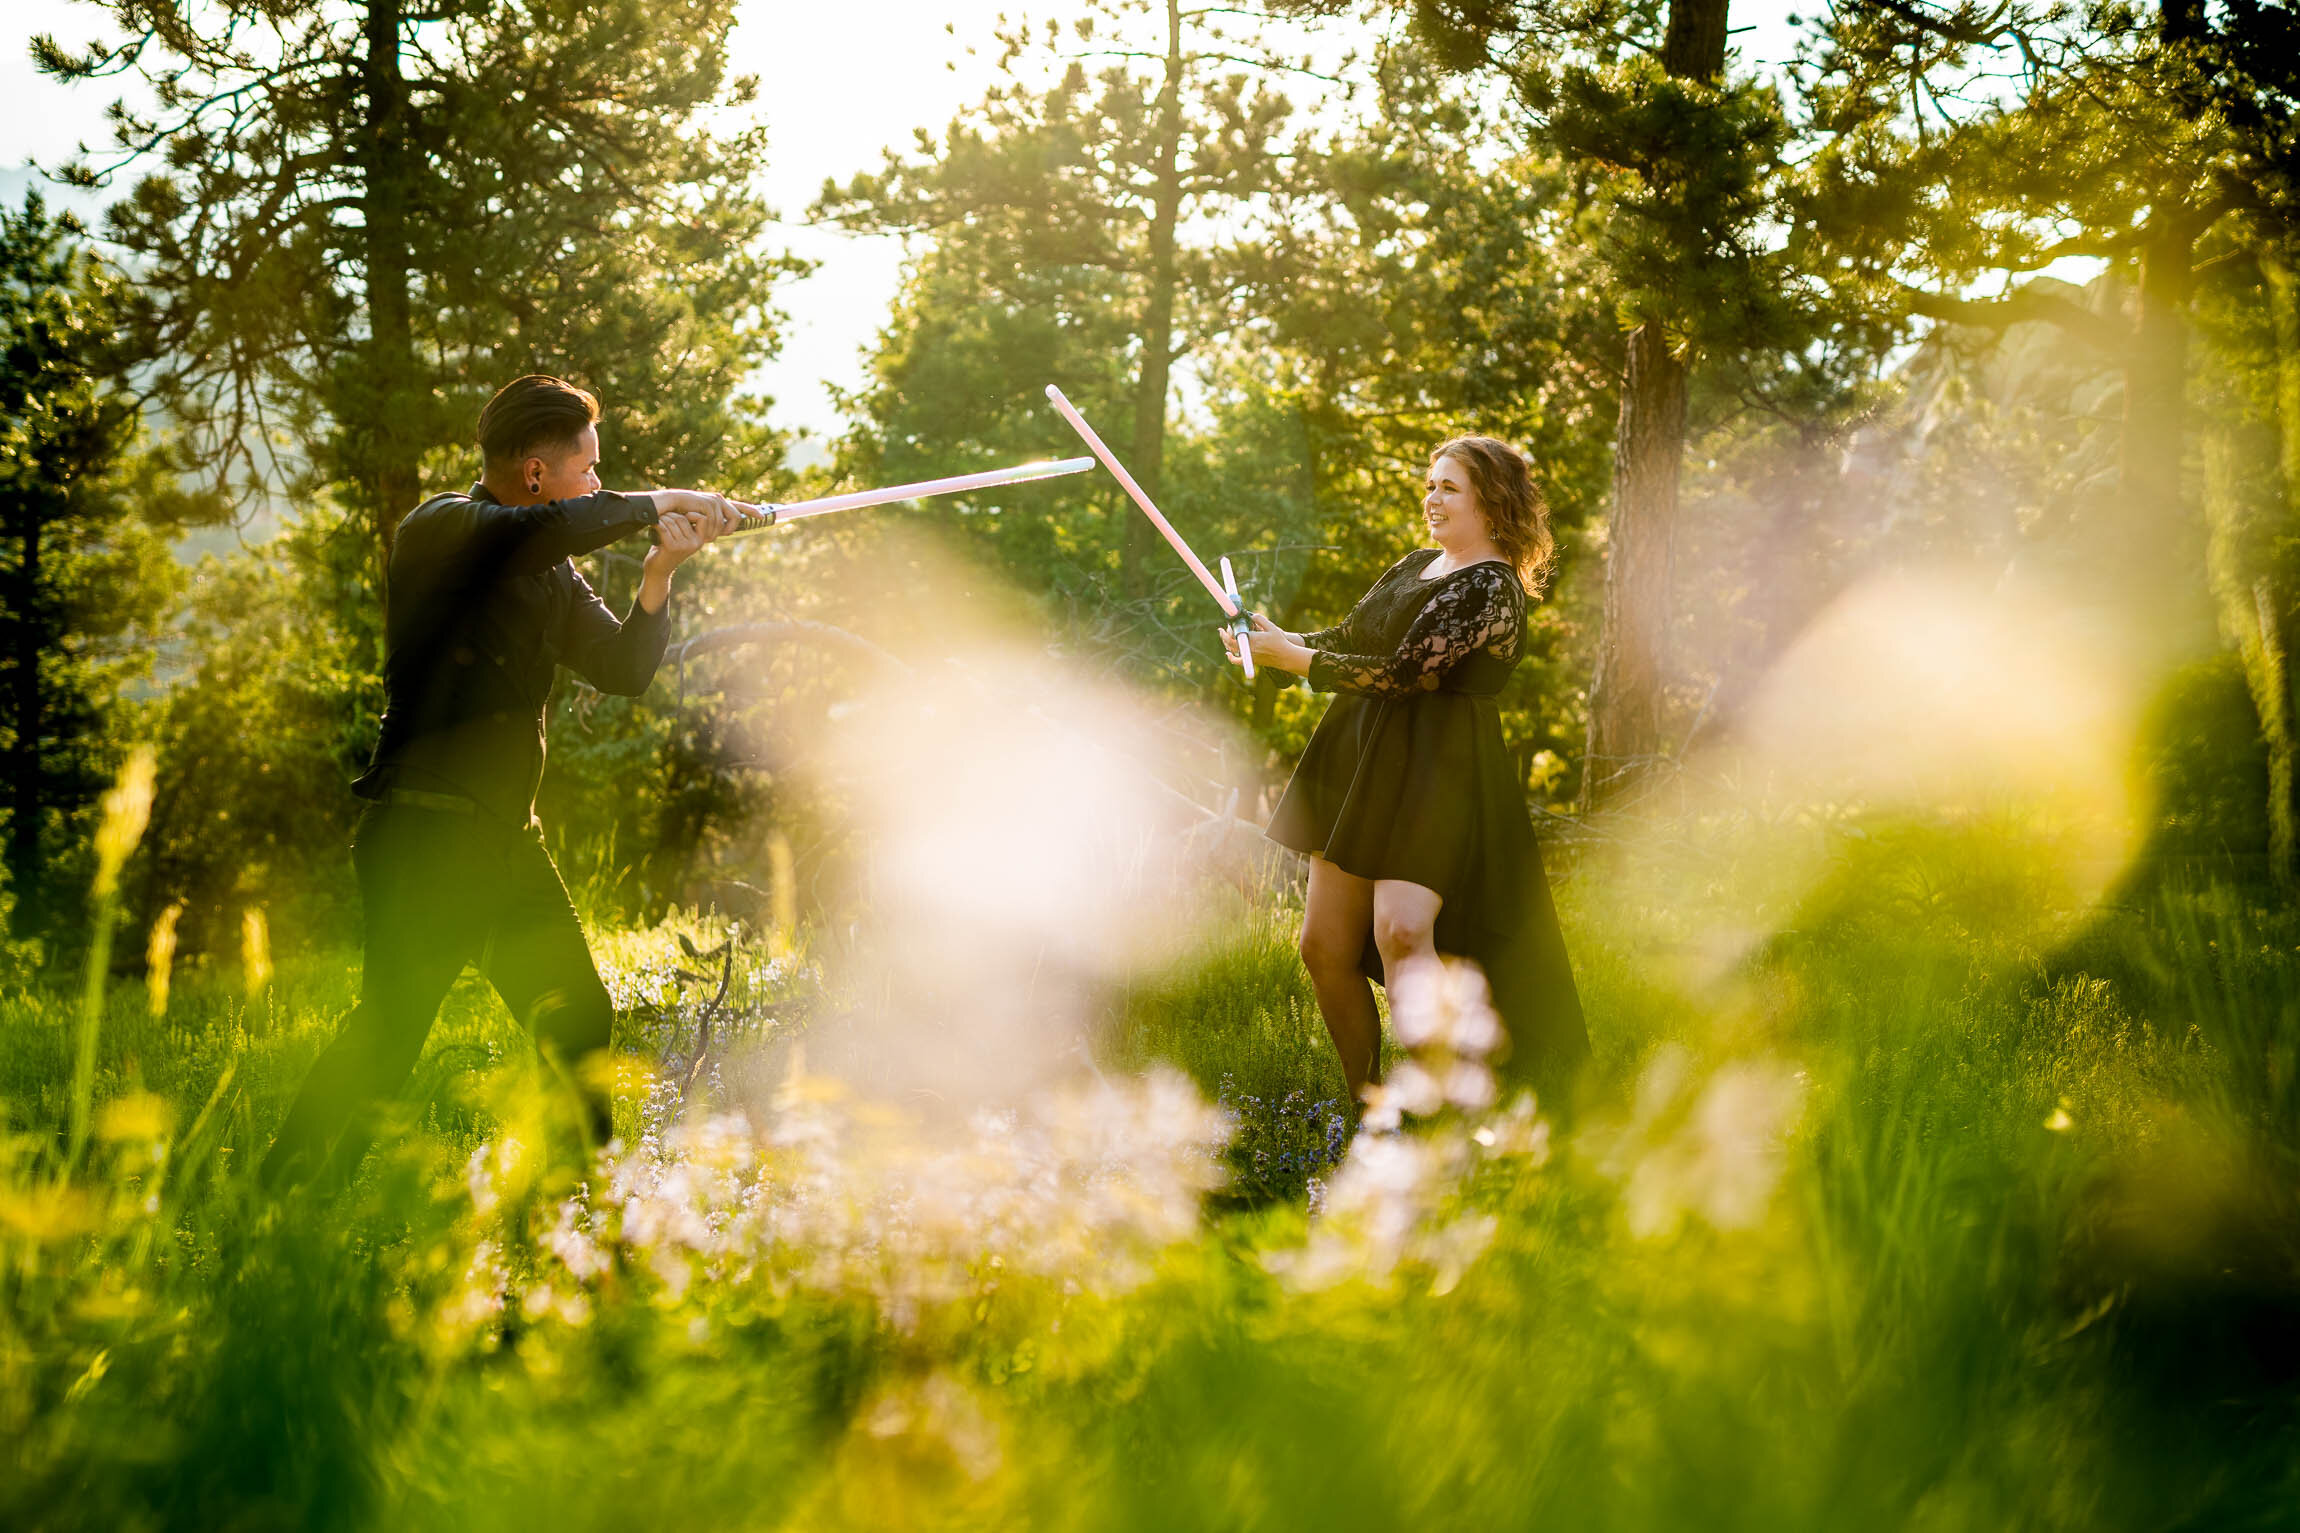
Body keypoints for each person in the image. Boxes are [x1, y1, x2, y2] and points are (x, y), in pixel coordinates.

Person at [260, 375, 745, 1192]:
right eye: (590, 469)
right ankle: (286, 1190)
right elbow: (543, 532)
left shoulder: (553, 578)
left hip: (508, 842)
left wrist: (659, 571)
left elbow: (623, 669)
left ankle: (583, 1200)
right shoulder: (441, 531)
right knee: (390, 1033)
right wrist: (660, 496)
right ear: (534, 474)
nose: (599, 484)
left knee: (581, 1013)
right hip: (425, 837)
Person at [1226, 436, 1590, 1105]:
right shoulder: (1413, 565)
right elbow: (1348, 643)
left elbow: (1409, 672)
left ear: (1494, 501)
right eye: (1431, 484)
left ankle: (1445, 1117)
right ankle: (1370, 1112)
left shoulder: (1493, 587)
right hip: (1360, 756)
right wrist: (1275, 642)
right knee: (1323, 947)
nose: (1432, 498)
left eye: (1449, 487)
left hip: (1437, 770)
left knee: (1401, 930)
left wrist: (1294, 661)